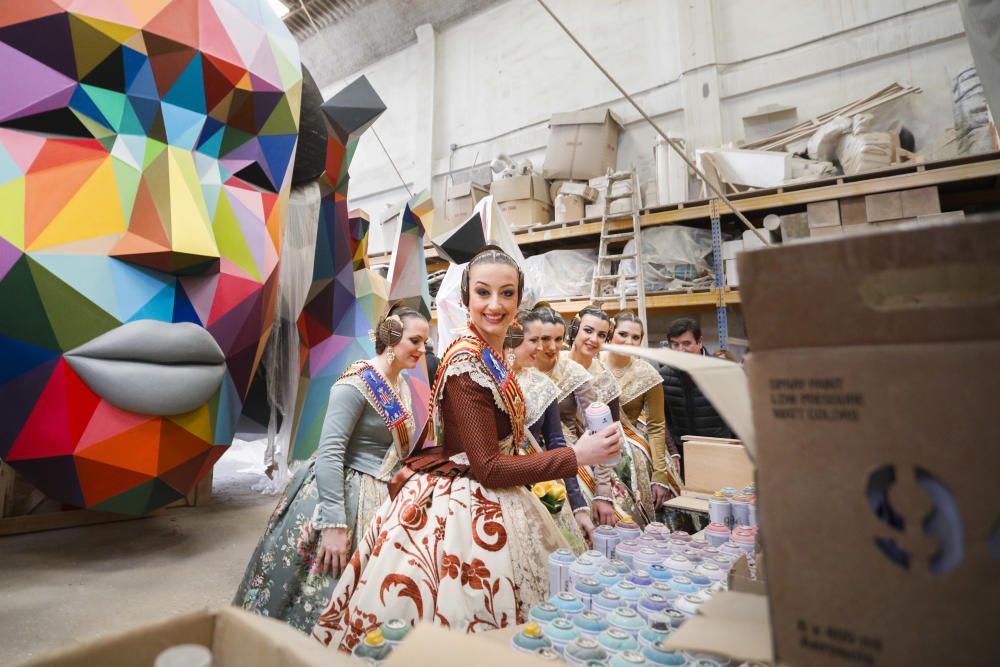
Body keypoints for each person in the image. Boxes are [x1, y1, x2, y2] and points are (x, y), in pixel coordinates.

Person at [311, 247, 620, 651]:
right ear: (466, 298)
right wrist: (577, 456)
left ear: (519, 299)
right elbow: (489, 467)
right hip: (468, 504)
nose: (495, 305)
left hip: (493, 495)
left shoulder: (490, 352)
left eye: (507, 294)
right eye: (483, 293)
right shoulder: (466, 364)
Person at [234, 307, 428, 633]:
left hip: (381, 496)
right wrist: (334, 524)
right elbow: (330, 453)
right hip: (341, 497)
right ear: (392, 340)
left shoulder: (400, 383)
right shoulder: (355, 384)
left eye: (426, 342)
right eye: (416, 340)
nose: (423, 349)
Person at [512, 309, 591, 553]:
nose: (543, 348)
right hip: (498, 485)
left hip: (538, 482)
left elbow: (557, 443)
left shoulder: (543, 385)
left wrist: (578, 506)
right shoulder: (488, 379)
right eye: (534, 340)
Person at [533, 306, 618, 528]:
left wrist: (603, 491)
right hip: (526, 453)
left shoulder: (575, 372)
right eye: (544, 339)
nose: (552, 346)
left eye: (558, 339)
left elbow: (600, 430)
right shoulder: (520, 367)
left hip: (566, 450)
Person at [566, 306, 643, 524]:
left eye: (601, 335)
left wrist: (603, 490)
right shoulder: (555, 363)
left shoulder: (605, 380)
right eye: (588, 331)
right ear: (575, 329)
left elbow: (609, 436)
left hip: (593, 459)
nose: (593, 339)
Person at [603, 312, 683, 519]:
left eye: (636, 337)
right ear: (611, 334)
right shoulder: (593, 365)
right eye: (623, 334)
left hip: (630, 451)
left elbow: (656, 426)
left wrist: (659, 474)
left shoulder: (648, 374)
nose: (629, 341)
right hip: (591, 446)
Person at [660, 318, 737, 473]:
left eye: (687, 343)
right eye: (675, 344)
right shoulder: (663, 377)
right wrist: (673, 450)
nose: (681, 350)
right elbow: (664, 419)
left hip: (718, 450)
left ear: (700, 342)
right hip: (684, 455)